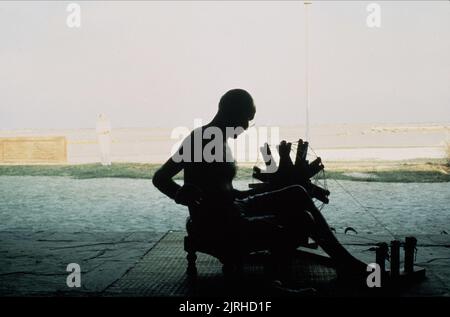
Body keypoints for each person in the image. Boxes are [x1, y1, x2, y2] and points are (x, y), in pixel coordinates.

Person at [152, 89, 367, 288]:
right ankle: (282, 282)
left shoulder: (219, 140)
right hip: (219, 223)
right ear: (232, 113)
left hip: (234, 207)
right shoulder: (200, 139)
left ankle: (343, 263)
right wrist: (179, 193)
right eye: (246, 118)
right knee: (302, 219)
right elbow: (160, 178)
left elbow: (225, 193)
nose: (247, 126)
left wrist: (261, 191)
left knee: (296, 193)